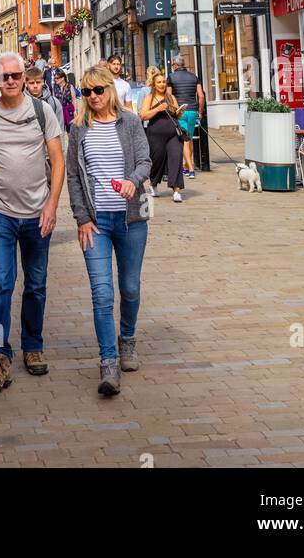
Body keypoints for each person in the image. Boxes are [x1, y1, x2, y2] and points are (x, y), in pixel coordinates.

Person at [0, 51, 64, 393]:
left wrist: (52, 205)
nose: (11, 81)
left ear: (24, 78)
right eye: (4, 76)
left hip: (37, 214)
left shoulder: (42, 111)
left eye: (16, 76)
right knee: (0, 284)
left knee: (36, 285)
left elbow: (57, 159)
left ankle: (33, 346)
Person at [66, 62, 153, 396]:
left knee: (129, 287)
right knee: (102, 293)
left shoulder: (130, 122)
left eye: (98, 90)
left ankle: (127, 339)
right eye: (86, 92)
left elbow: (145, 161)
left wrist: (133, 181)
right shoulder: (79, 129)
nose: (93, 96)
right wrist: (81, 217)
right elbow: (73, 175)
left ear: (110, 90)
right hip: (96, 221)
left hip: (131, 219)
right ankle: (109, 362)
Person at [140, 69, 186, 202]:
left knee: (176, 159)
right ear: (154, 85)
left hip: (173, 134)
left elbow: (176, 114)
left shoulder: (171, 97)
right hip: (155, 134)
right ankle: (153, 183)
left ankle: (176, 190)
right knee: (157, 160)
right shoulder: (150, 97)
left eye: (163, 82)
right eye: (159, 82)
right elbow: (143, 115)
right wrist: (157, 109)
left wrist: (179, 112)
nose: (162, 84)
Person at [168, 56, 206, 178]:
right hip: (193, 110)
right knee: (189, 137)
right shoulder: (194, 77)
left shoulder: (171, 77)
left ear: (175, 65)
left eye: (172, 64)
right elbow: (201, 96)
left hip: (180, 111)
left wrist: (172, 111)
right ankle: (186, 166)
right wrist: (200, 112)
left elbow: (168, 96)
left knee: (184, 139)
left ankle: (190, 168)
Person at [25, 65, 65, 130]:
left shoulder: (54, 102)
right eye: (31, 83)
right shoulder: (21, 102)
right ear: (26, 83)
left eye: (38, 82)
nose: (35, 86)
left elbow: (59, 128)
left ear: (43, 82)